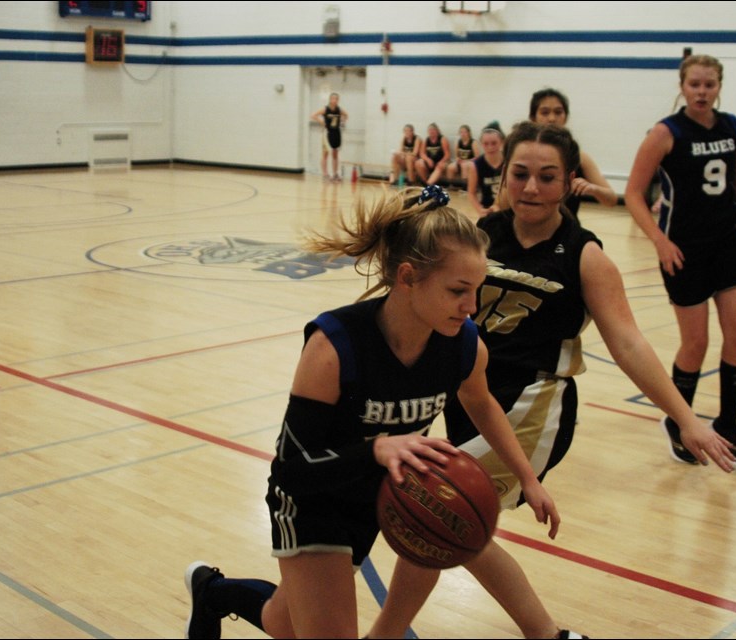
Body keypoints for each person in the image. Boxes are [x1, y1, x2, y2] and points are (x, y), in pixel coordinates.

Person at [366, 121, 736, 640]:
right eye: (520, 174)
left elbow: (629, 343)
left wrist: (686, 418)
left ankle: (384, 635)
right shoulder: (480, 235)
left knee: (442, 509)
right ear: (503, 178)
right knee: (463, 526)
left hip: (535, 409)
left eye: (546, 177)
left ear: (567, 183)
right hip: (468, 397)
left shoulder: (585, 255)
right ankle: (546, 633)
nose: (532, 188)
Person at [183, 185, 562, 639]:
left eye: (476, 291)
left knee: (284, 623)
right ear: (407, 277)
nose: (471, 307)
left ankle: (213, 592)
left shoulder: (463, 344)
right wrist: (378, 449)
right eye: (458, 290)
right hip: (310, 500)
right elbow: (294, 471)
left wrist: (528, 478)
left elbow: (480, 402)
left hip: (374, 495)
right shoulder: (334, 347)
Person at [624, 54, 736, 469]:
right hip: (684, 248)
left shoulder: (734, 128)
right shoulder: (665, 132)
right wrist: (659, 241)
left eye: (709, 85)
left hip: (728, 243)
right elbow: (634, 194)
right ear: (682, 86)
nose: (701, 91)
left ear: (719, 87)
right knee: (696, 343)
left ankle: (729, 425)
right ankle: (680, 422)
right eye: (694, 84)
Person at [526, 88, 618, 213]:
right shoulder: (522, 155)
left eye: (558, 112)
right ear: (533, 117)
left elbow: (611, 199)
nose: (552, 118)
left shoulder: (580, 157)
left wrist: (593, 189)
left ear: (566, 117)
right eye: (545, 112)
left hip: (567, 230)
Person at [466, 122, 505, 217]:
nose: (490, 147)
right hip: (488, 210)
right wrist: (480, 209)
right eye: (486, 144)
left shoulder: (508, 161)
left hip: (507, 208)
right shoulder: (475, 165)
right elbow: (471, 193)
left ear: (501, 142)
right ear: (481, 144)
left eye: (494, 143)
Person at [312, 93, 347, 182]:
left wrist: (343, 121)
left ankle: (335, 174)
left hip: (336, 132)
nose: (334, 100)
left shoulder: (339, 110)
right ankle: (325, 174)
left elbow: (346, 115)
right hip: (327, 132)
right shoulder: (325, 109)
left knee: (335, 153)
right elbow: (313, 115)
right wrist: (322, 122)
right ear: (330, 100)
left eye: (336, 99)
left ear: (338, 100)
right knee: (325, 153)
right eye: (333, 99)